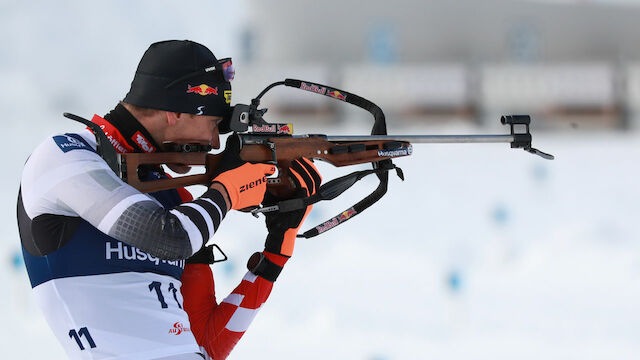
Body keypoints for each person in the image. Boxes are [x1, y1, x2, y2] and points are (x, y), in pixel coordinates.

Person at [17, 40, 321, 360]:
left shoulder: (174, 194)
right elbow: (170, 237)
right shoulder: (65, 155)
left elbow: (205, 342)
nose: (216, 142)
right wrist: (228, 190)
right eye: (215, 124)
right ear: (176, 111)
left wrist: (277, 247)